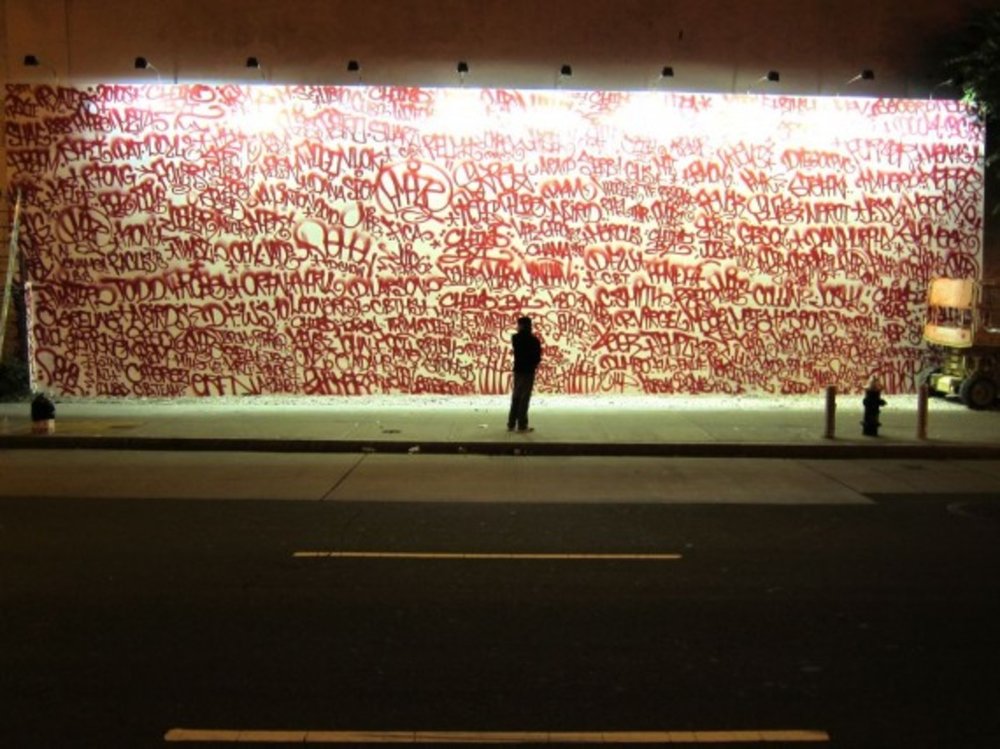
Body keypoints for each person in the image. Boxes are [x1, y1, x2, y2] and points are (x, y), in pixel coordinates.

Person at [507, 316, 542, 432]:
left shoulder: (515, 338)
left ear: (521, 326)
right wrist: (533, 365)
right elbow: (537, 357)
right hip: (528, 371)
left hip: (518, 370)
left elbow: (519, 339)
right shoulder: (534, 340)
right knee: (524, 398)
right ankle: (522, 424)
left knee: (516, 397)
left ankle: (511, 423)